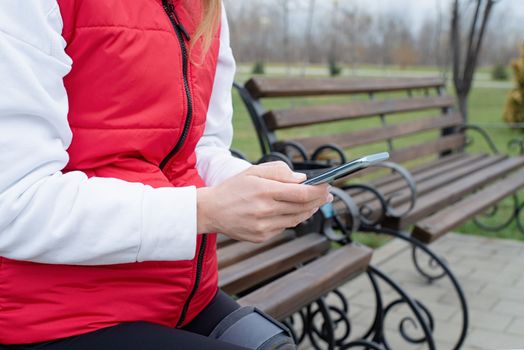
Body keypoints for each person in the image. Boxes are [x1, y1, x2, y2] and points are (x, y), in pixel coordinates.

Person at [0, 0, 332, 349]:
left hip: (180, 295)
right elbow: (14, 198)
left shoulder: (205, 7)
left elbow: (200, 148)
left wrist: (258, 185)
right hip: (51, 312)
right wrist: (201, 211)